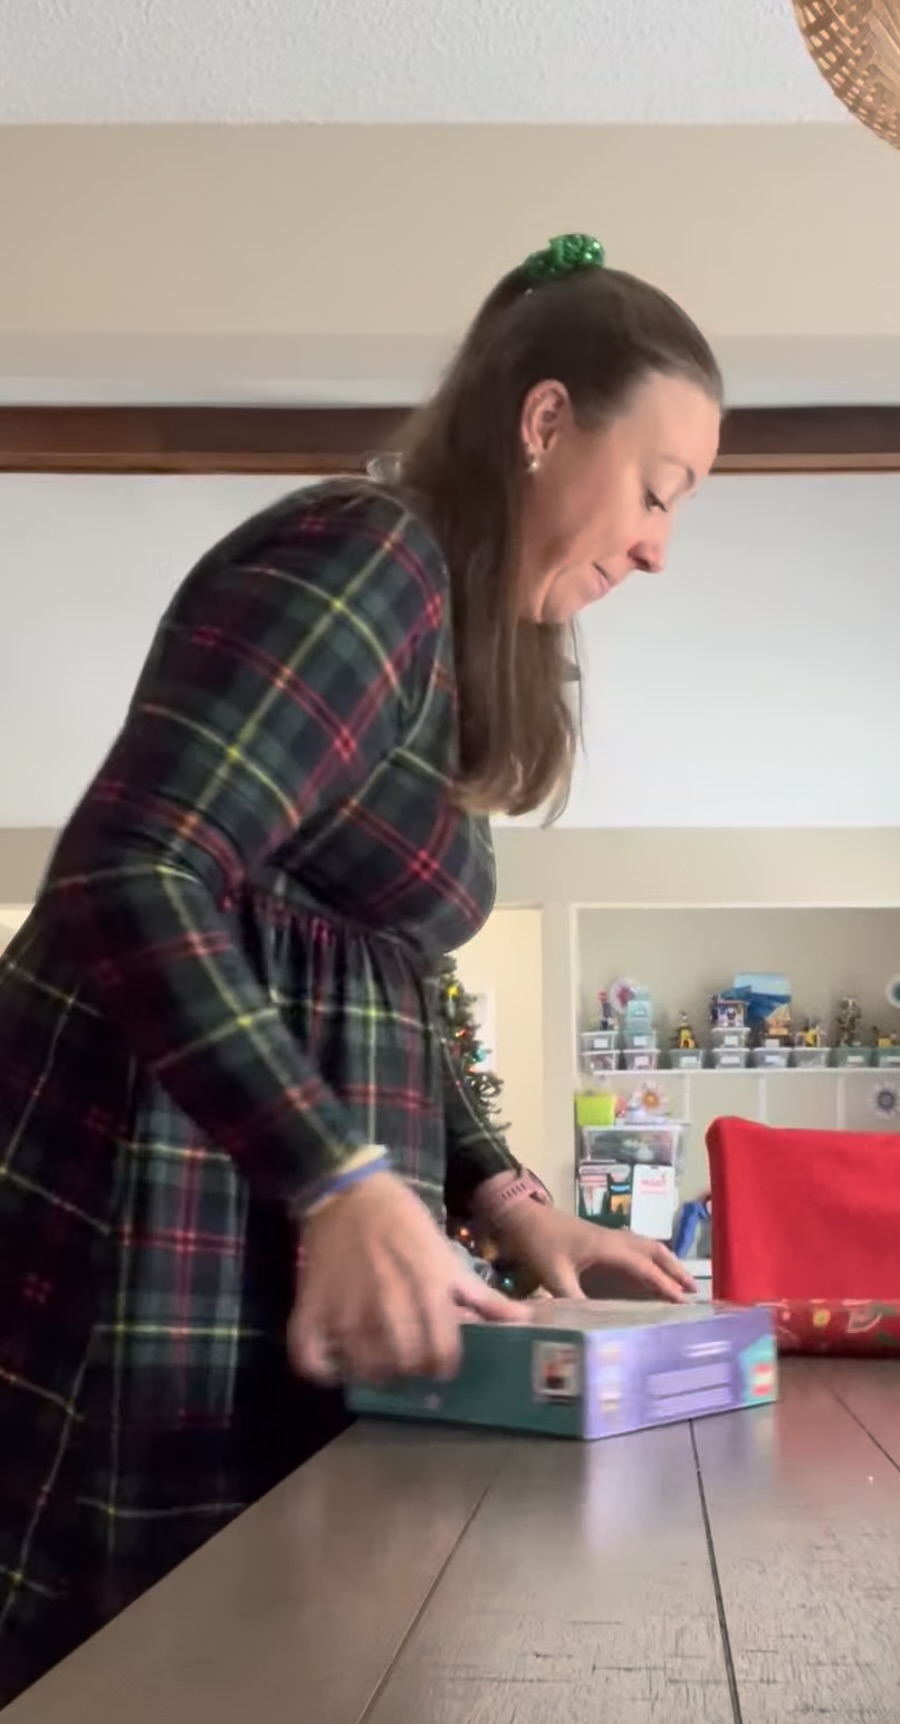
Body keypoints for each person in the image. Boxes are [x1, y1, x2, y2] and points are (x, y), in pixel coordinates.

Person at [0, 232, 723, 1703]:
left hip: (240, 1199)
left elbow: (376, 980)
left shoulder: (447, 646)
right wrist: (336, 1175)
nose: (660, 545)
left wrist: (507, 1199)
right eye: (657, 488)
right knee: (118, 1652)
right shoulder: (366, 553)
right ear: (540, 422)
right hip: (148, 1190)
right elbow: (134, 870)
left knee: (267, 1650)